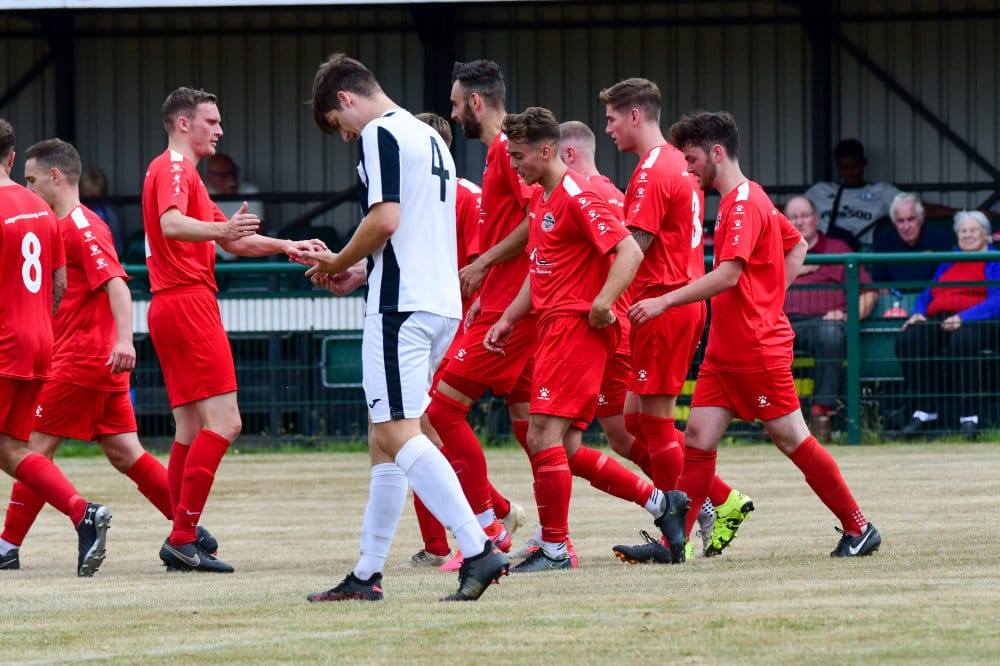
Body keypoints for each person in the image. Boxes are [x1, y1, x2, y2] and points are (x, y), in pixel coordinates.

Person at [296, 53, 509, 602]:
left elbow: (385, 219)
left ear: (345, 99)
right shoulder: (429, 136)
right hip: (437, 303)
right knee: (384, 437)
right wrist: (361, 270)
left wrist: (338, 260)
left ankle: (479, 545)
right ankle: (367, 573)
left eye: (337, 124)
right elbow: (413, 228)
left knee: (396, 433)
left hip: (401, 307)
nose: (345, 136)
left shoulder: (380, 133)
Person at [631, 110, 881, 558]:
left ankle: (858, 527)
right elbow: (797, 245)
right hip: (725, 351)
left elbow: (728, 275)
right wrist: (770, 296)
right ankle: (676, 544)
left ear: (717, 153)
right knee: (697, 440)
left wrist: (665, 301)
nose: (688, 169)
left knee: (793, 440)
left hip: (755, 350)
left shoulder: (744, 203)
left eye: (692, 159)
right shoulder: (746, 198)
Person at [483, 106, 688, 571]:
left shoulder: (578, 194)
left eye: (518, 156)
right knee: (569, 450)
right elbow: (541, 268)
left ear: (547, 151)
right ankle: (663, 504)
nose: (513, 164)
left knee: (541, 435)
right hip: (554, 328)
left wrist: (602, 303)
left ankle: (555, 549)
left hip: (575, 329)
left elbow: (630, 251)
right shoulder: (545, 198)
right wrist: (509, 318)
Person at [1, 138, 217, 570]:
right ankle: (187, 530)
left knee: (30, 449)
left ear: (55, 177)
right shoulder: (56, 223)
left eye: (32, 179)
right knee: (126, 452)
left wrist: (124, 340)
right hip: (98, 362)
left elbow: (117, 283)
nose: (27, 188)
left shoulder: (82, 224)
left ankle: (7, 547)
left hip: (79, 360)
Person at [142, 87, 323, 573]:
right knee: (226, 423)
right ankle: (183, 537)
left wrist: (287, 245)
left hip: (169, 304)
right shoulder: (176, 168)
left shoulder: (182, 174)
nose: (220, 130)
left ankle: (181, 532)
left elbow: (236, 243)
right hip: (188, 302)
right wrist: (222, 231)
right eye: (212, 121)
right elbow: (173, 224)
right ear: (184, 124)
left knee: (189, 427)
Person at [598, 78, 753, 563]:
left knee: (656, 423)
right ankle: (716, 499)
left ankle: (675, 533)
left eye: (612, 119)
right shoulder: (677, 165)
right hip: (670, 303)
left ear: (635, 116)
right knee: (633, 421)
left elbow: (635, 247)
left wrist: (601, 297)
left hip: (662, 304)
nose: (609, 129)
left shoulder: (651, 170)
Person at [418, 59, 540, 569]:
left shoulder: (508, 151)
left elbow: (538, 218)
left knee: (439, 413)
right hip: (501, 307)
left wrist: (484, 264)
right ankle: (556, 538)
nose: (452, 113)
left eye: (455, 104)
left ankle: (487, 529)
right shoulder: (497, 155)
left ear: (475, 102)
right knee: (534, 431)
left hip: (514, 313)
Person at [0, 119, 111, 576]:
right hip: (39, 341)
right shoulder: (42, 209)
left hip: (5, 344)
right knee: (13, 449)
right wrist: (36, 324)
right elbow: (59, 282)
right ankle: (84, 514)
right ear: (11, 158)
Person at [896, 210, 1000, 440]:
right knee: (909, 339)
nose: (967, 235)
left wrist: (964, 317)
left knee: (962, 341)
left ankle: (969, 417)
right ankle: (925, 411)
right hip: (941, 317)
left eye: (972, 230)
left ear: (986, 234)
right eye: (963, 231)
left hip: (979, 320)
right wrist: (918, 312)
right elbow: (929, 292)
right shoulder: (950, 260)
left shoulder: (995, 259)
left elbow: (997, 300)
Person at [783, 195, 879, 441]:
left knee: (831, 333)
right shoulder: (773, 251)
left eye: (805, 216)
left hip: (825, 324)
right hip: (782, 323)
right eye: (793, 217)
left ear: (816, 219)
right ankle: (772, 418)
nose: (800, 221)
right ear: (784, 221)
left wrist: (846, 316)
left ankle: (821, 413)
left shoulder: (838, 249)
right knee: (759, 337)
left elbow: (869, 293)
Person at [804, 139, 901, 249]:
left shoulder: (882, 192)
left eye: (854, 167)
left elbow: (913, 209)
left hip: (864, 252)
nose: (849, 173)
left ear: (863, 163)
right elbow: (792, 215)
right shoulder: (819, 191)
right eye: (844, 168)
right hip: (827, 251)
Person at [872, 192, 953, 292]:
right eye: (900, 221)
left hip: (933, 296)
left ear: (921, 218)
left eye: (911, 219)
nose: (906, 227)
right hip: (895, 299)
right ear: (893, 223)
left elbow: (946, 278)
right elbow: (880, 282)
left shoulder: (940, 237)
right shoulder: (884, 240)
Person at [204, 153, 265, 262]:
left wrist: (238, 258)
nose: (231, 179)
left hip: (244, 258)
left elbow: (257, 231)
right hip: (210, 259)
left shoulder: (250, 192)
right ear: (210, 178)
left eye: (233, 173)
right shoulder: (202, 194)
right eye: (223, 176)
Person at [79, 166, 124, 259]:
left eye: (94, 197)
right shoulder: (74, 212)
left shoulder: (110, 215)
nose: (90, 194)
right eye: (87, 193)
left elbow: (118, 249)